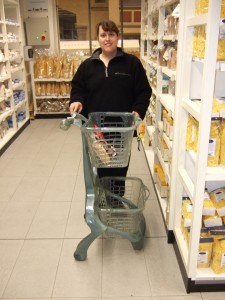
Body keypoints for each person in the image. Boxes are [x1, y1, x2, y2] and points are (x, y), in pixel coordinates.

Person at [69, 19, 152, 185]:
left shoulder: (131, 64)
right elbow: (78, 88)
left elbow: (144, 91)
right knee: (99, 168)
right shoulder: (87, 66)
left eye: (111, 34)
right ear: (98, 39)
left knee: (120, 168)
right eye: (103, 35)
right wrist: (76, 101)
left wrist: (138, 110)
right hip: (96, 129)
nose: (107, 39)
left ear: (117, 37)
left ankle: (116, 203)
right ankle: (104, 202)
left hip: (122, 129)